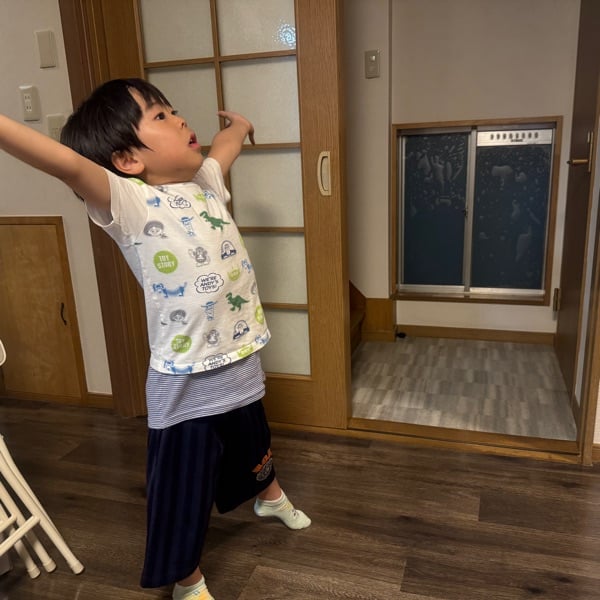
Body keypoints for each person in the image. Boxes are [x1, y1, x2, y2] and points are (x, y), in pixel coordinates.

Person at [0, 78, 311, 600]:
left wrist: (239, 127)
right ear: (127, 160)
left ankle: (269, 496)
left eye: (173, 109)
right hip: (185, 371)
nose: (180, 119)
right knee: (182, 480)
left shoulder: (204, 181)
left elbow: (224, 147)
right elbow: (65, 163)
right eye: (160, 116)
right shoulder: (129, 201)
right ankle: (186, 578)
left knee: (251, 435)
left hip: (237, 348)